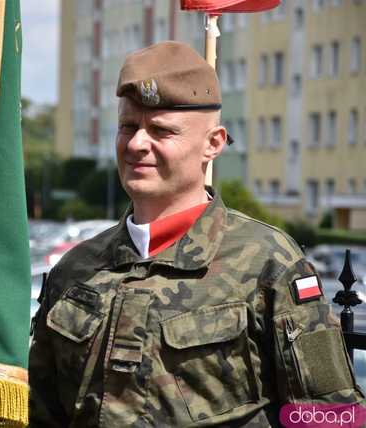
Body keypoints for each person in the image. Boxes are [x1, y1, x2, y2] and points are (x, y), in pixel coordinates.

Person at [28, 41, 364, 427]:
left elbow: (329, 415)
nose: (137, 144)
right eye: (128, 126)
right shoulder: (77, 268)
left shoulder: (267, 263)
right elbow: (40, 411)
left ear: (213, 144)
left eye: (161, 131)